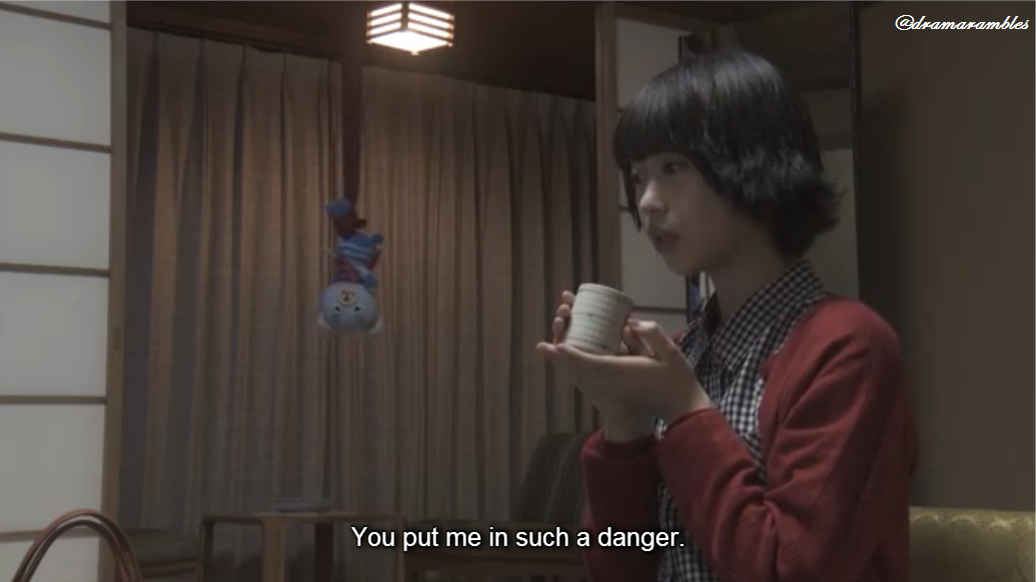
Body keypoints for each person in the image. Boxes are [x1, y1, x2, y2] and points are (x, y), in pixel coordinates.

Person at [536, 49, 919, 582]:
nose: (646, 201)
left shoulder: (849, 346)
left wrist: (684, 407)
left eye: (673, 168)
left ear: (754, 162)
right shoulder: (684, 351)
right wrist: (624, 420)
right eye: (638, 176)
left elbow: (791, 570)